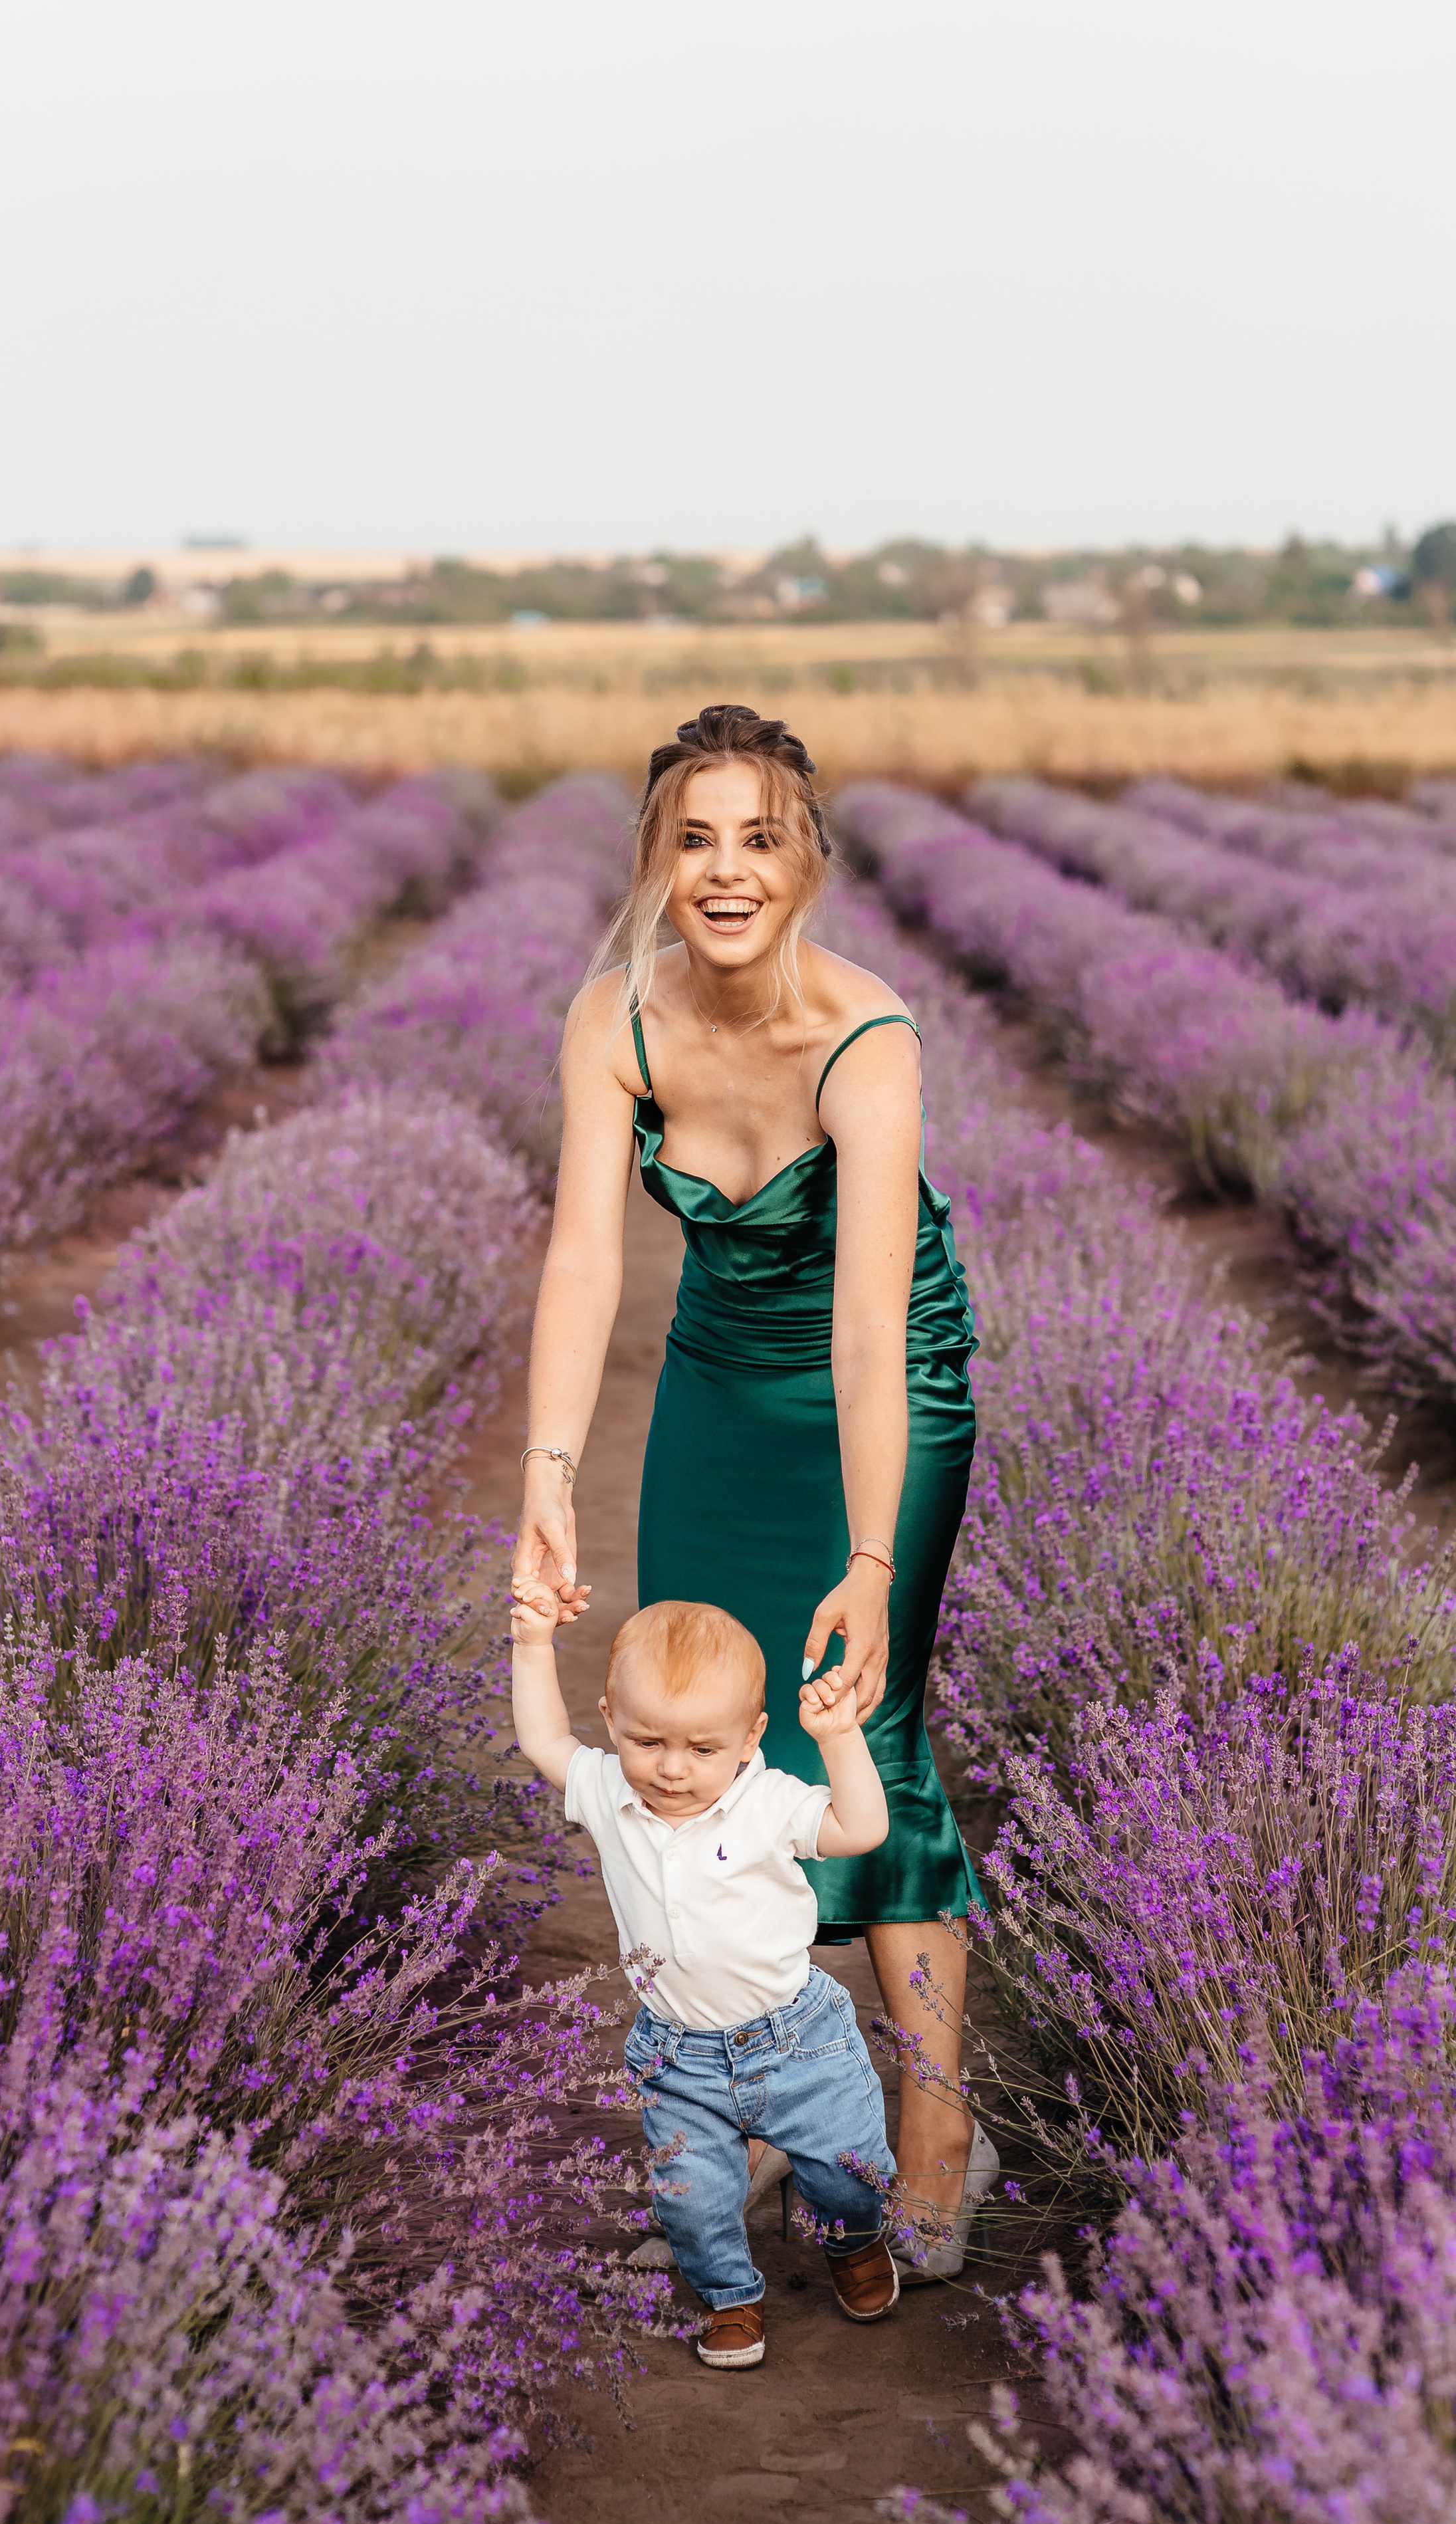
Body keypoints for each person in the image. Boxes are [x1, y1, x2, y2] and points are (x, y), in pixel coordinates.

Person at [512, 703, 997, 2279]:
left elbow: (865, 1329)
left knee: (864, 1721)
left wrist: (868, 1555)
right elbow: (584, 1262)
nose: (725, 871)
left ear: (806, 861)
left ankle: (935, 2121)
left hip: (882, 1386)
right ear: (656, 859)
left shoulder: (865, 1036)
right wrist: (548, 1482)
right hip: (717, 1383)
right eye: (693, 838)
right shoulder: (614, 1016)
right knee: (701, 1723)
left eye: (759, 838)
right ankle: (777, 2089)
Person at [510, 1582, 902, 2366]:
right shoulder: (608, 1790)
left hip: (799, 2038)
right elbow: (544, 1738)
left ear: (750, 1736)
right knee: (690, 2199)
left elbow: (862, 1829)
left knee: (848, 2174)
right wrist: (531, 1643)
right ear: (610, 1720)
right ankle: (729, 2295)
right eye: (646, 1740)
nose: (671, 1769)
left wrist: (838, 1738)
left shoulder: (767, 1803)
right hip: (678, 2052)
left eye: (702, 1749)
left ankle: (854, 2242)